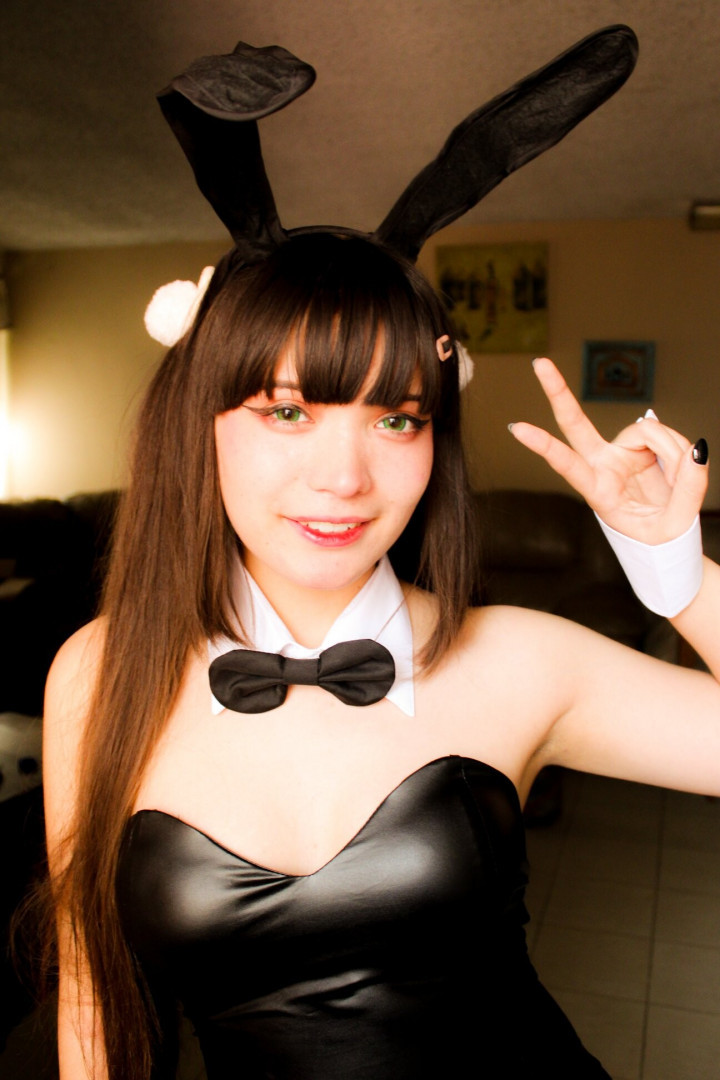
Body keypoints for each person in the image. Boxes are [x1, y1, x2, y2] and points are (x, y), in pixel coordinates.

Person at [41, 28, 720, 1080]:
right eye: (287, 411)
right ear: (198, 424)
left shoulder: (518, 659)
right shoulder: (97, 674)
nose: (344, 476)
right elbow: (93, 986)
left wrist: (674, 567)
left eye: (397, 419)